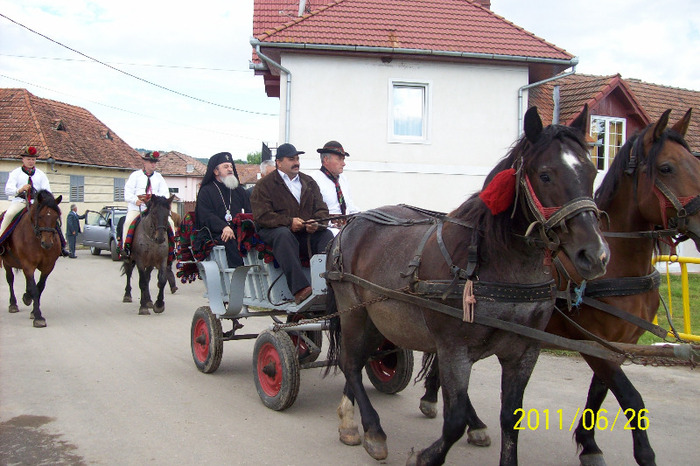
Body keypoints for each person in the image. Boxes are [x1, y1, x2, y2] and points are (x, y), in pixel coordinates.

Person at [250, 143, 333, 304]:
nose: (296, 162)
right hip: (274, 232)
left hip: (304, 234)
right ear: (279, 162)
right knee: (284, 234)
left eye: (297, 158)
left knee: (326, 235)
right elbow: (262, 216)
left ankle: (326, 283)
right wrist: (289, 222)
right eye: (291, 159)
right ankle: (300, 289)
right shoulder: (264, 185)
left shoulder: (308, 182)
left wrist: (316, 222)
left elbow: (322, 209)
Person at [0, 145, 70, 256]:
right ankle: (1, 242)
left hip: (37, 203)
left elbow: (47, 191)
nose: (31, 162)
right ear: (23, 159)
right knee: (9, 214)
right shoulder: (15, 173)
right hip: (20, 201)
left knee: (53, 217)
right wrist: (20, 189)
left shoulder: (41, 175)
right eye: (28, 159)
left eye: (33, 159)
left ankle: (62, 244)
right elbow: (8, 190)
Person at [194, 152, 252, 268]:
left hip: (238, 230)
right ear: (216, 171)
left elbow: (248, 211)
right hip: (216, 232)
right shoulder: (206, 191)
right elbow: (205, 215)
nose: (230, 169)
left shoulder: (239, 191)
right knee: (229, 238)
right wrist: (223, 227)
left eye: (231, 166)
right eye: (225, 167)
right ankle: (238, 273)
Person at [309, 140, 360, 235]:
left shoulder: (343, 179)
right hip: (326, 229)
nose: (343, 163)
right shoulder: (314, 179)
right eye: (339, 159)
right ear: (326, 160)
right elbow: (312, 211)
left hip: (346, 227)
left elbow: (350, 206)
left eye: (343, 159)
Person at [122, 151, 172, 246]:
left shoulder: (159, 177)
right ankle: (125, 248)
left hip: (154, 210)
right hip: (137, 209)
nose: (153, 165)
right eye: (151, 162)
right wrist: (135, 200)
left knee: (171, 224)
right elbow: (127, 193)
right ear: (144, 163)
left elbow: (165, 194)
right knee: (128, 222)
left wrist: (158, 202)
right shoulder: (135, 176)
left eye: (155, 162)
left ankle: (173, 249)